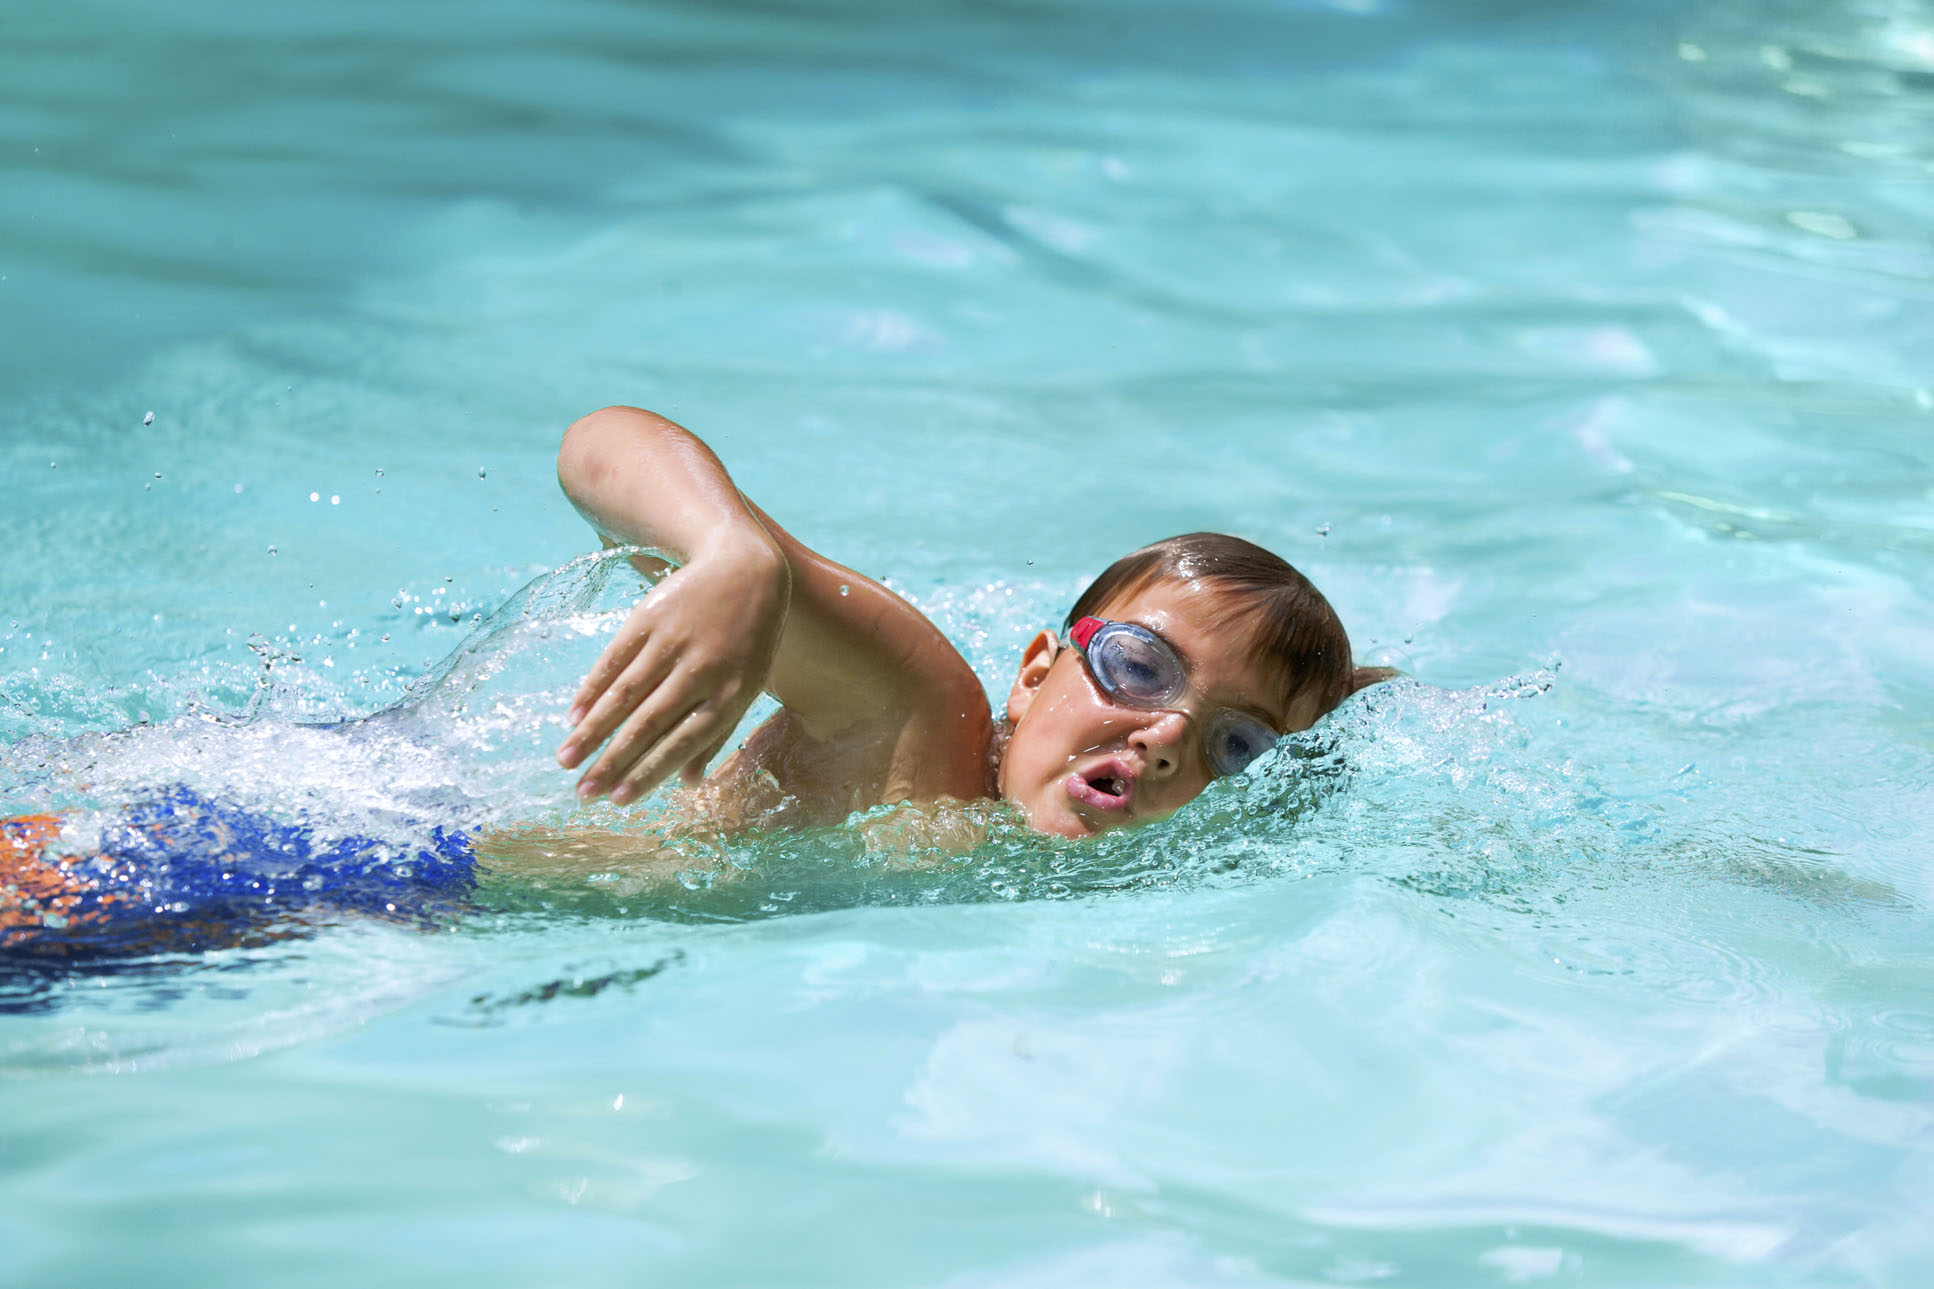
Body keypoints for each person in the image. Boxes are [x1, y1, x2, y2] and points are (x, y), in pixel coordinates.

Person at [1, 405, 1387, 954]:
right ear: (1037, 669)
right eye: (1137, 668)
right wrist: (734, 554)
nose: (1159, 737)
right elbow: (598, 448)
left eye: (1232, 747)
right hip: (265, 858)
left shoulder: (1048, 867)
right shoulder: (922, 716)